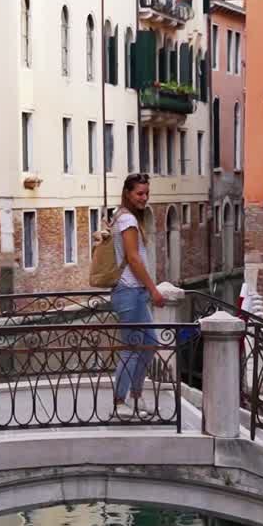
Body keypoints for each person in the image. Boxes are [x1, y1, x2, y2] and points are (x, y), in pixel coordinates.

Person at [111, 173, 164, 412]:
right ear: (128, 194)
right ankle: (120, 401)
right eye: (139, 193)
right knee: (132, 347)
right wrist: (154, 289)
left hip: (135, 292)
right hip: (129, 292)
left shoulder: (124, 216)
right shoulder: (128, 221)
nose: (144, 198)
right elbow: (133, 258)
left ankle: (134, 395)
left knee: (150, 343)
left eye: (147, 193)